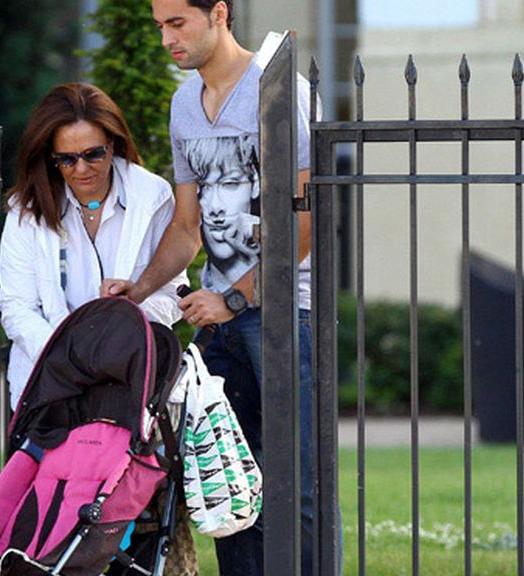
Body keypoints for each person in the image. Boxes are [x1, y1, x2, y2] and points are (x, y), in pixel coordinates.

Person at [102, 1, 326, 575]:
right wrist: (140, 287)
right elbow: (185, 227)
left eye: (177, 24)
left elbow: (305, 220)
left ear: (219, 13)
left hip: (281, 313)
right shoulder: (185, 104)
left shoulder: (279, 90)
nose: (166, 40)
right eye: (159, 27)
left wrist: (234, 299)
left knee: (297, 483)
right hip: (217, 320)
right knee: (229, 479)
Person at [0, 82, 188, 409]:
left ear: (113, 144)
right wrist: (67, 357)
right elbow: (16, 306)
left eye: (93, 154)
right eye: (67, 159)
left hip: (129, 384)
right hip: (49, 387)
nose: (82, 169)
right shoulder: (25, 209)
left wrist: (125, 327)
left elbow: (172, 292)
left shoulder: (152, 197)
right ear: (50, 157)